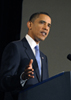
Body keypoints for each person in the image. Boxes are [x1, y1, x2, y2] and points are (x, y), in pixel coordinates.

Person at [0, 12, 51, 100]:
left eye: (49, 25)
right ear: (30, 25)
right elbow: (4, 82)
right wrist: (22, 77)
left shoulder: (43, 57)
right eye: (42, 22)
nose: (46, 28)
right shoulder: (16, 47)